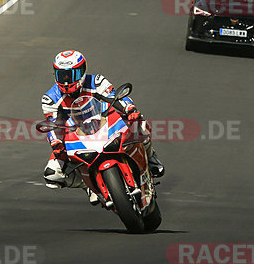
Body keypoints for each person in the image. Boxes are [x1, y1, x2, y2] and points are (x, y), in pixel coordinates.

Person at [41, 50, 165, 205]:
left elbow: (116, 97)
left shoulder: (97, 81)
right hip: (76, 136)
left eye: (71, 75)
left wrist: (130, 110)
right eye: (62, 75)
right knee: (52, 175)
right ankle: (87, 185)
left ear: (82, 71)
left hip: (106, 123)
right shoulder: (50, 99)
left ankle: (151, 157)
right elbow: (53, 124)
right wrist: (56, 143)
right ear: (55, 75)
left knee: (140, 124)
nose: (66, 81)